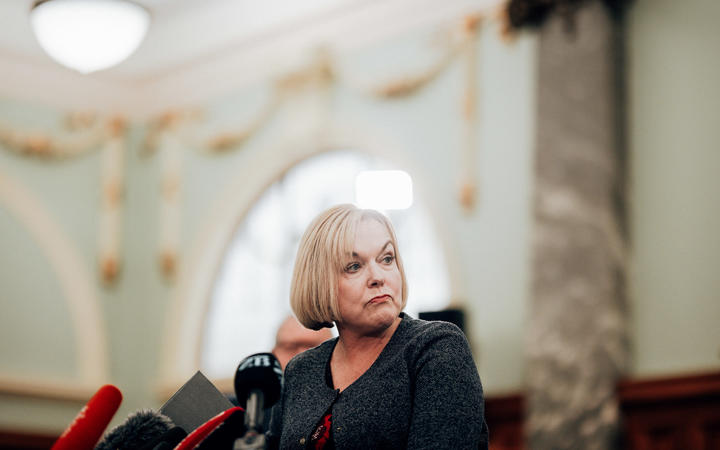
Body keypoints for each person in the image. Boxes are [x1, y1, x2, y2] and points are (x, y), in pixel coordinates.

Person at [268, 204, 489, 449]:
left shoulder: (435, 348)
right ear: (319, 283)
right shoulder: (300, 371)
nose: (378, 277)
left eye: (387, 259)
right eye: (354, 266)